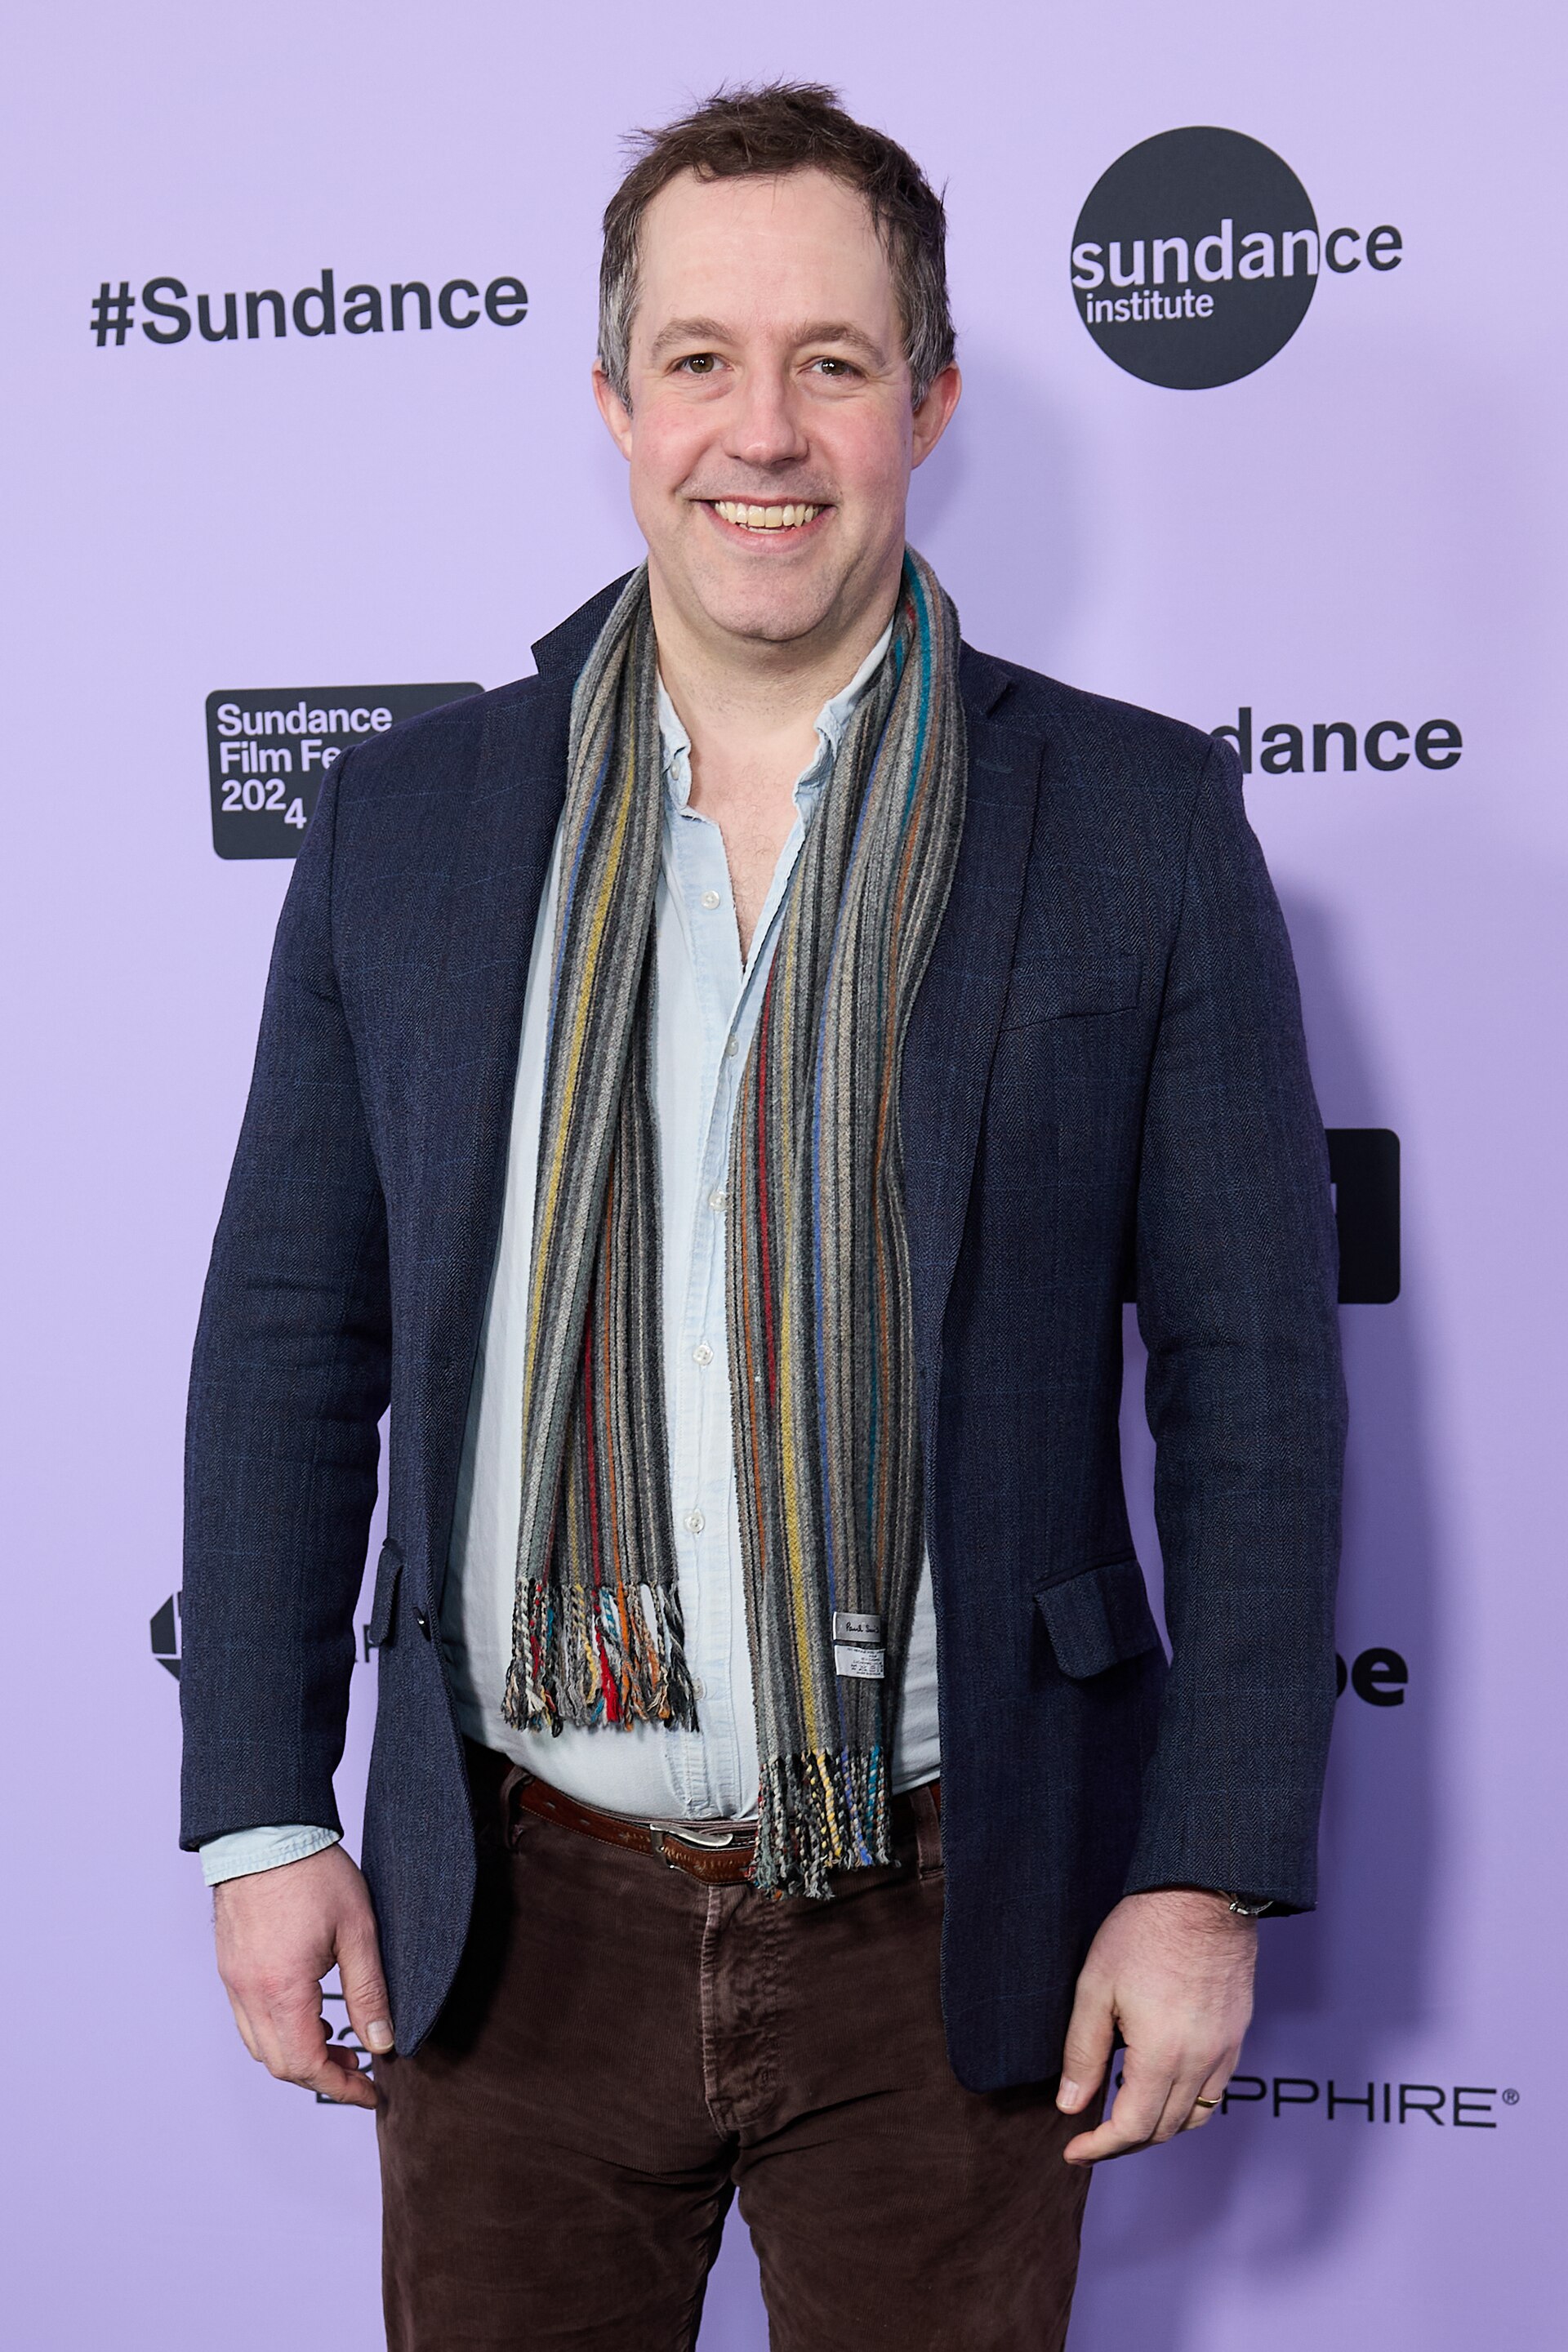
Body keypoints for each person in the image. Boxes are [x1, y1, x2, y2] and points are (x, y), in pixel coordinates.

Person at [180, 82, 1346, 2352]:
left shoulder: (1132, 819)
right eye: (701, 359)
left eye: (832, 361)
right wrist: (258, 1814)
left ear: (928, 401)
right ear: (615, 401)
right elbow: (290, 1335)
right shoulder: (407, 827)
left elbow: (1255, 1390)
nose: (766, 433)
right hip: (510, 1912)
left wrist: (1205, 1873)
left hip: (961, 1914)